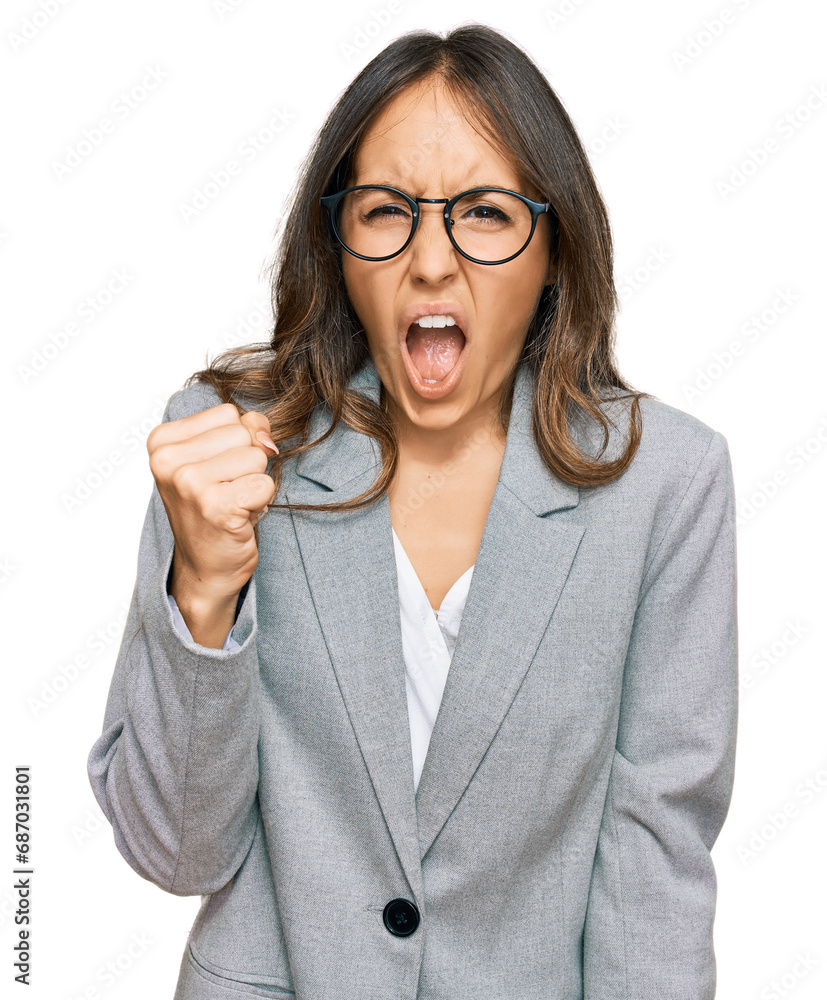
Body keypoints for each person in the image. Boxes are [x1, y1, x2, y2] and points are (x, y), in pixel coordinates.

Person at [87, 23, 738, 1000]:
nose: (430, 262)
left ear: (553, 247)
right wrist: (204, 586)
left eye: (481, 213)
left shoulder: (665, 484)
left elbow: (654, 883)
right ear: (337, 240)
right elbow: (174, 850)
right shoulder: (229, 452)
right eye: (385, 211)